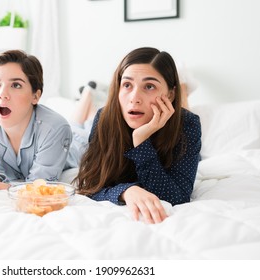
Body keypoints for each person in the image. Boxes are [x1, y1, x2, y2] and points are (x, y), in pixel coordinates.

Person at [72, 47, 202, 224]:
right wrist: (127, 191)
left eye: (149, 86)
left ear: (170, 94)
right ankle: (89, 92)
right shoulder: (104, 118)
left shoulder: (188, 124)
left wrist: (141, 142)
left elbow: (177, 197)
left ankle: (183, 89)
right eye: (127, 85)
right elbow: (90, 185)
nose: (134, 98)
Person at [0, 50, 74, 191]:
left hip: (77, 144)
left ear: (35, 96)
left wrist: (2, 187)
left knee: (82, 125)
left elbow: (38, 187)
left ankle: (88, 94)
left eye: (16, 85)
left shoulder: (56, 128)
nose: (2, 94)